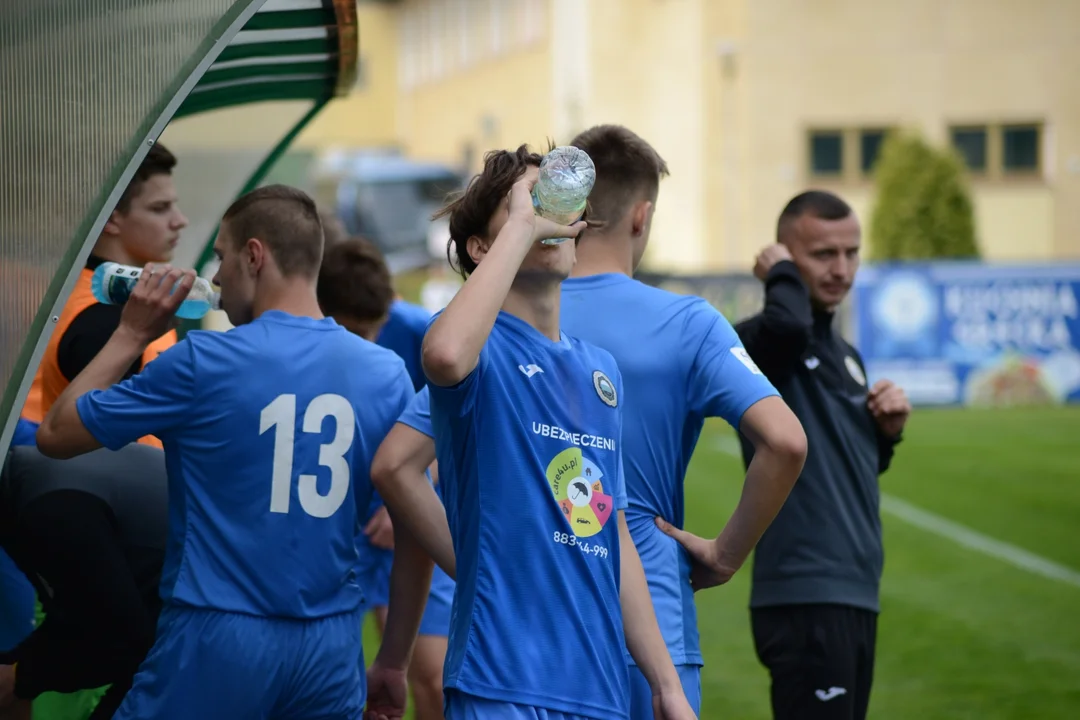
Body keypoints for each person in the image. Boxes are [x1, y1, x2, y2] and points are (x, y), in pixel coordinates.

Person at [35, 184, 415, 719]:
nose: (214, 279)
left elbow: (56, 434)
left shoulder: (203, 362)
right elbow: (414, 535)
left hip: (216, 633)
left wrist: (130, 334)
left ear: (254, 256)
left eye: (220, 257)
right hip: (329, 647)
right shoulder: (387, 374)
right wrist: (394, 661)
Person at [365, 145, 697, 720]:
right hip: (502, 682)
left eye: (554, 204)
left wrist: (665, 684)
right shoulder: (479, 352)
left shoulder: (600, 370)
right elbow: (442, 359)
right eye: (526, 202)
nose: (547, 215)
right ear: (483, 247)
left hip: (597, 688)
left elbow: (607, 528)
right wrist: (471, 560)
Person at [557, 124, 808, 719]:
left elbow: (412, 463)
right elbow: (786, 442)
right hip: (653, 629)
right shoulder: (687, 322)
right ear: (641, 217)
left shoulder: (503, 313)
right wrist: (725, 554)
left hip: (527, 626)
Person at [735, 190, 911, 720]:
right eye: (822, 255)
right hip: (805, 592)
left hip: (853, 590)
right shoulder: (761, 342)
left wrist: (887, 433)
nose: (842, 269)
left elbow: (853, 465)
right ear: (783, 254)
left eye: (852, 253)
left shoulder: (847, 355)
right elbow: (788, 326)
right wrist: (782, 277)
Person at [317, 238, 452, 720]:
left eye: (377, 330)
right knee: (338, 677)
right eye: (356, 332)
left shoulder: (424, 332)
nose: (369, 344)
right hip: (336, 526)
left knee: (433, 676)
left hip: (405, 521)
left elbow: (454, 423)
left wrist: (413, 492)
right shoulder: (307, 342)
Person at [0, 444, 168, 720]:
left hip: (209, 628)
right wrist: (13, 666)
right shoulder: (25, 478)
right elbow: (76, 612)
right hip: (186, 618)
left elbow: (119, 642)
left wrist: (20, 677)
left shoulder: (47, 511)